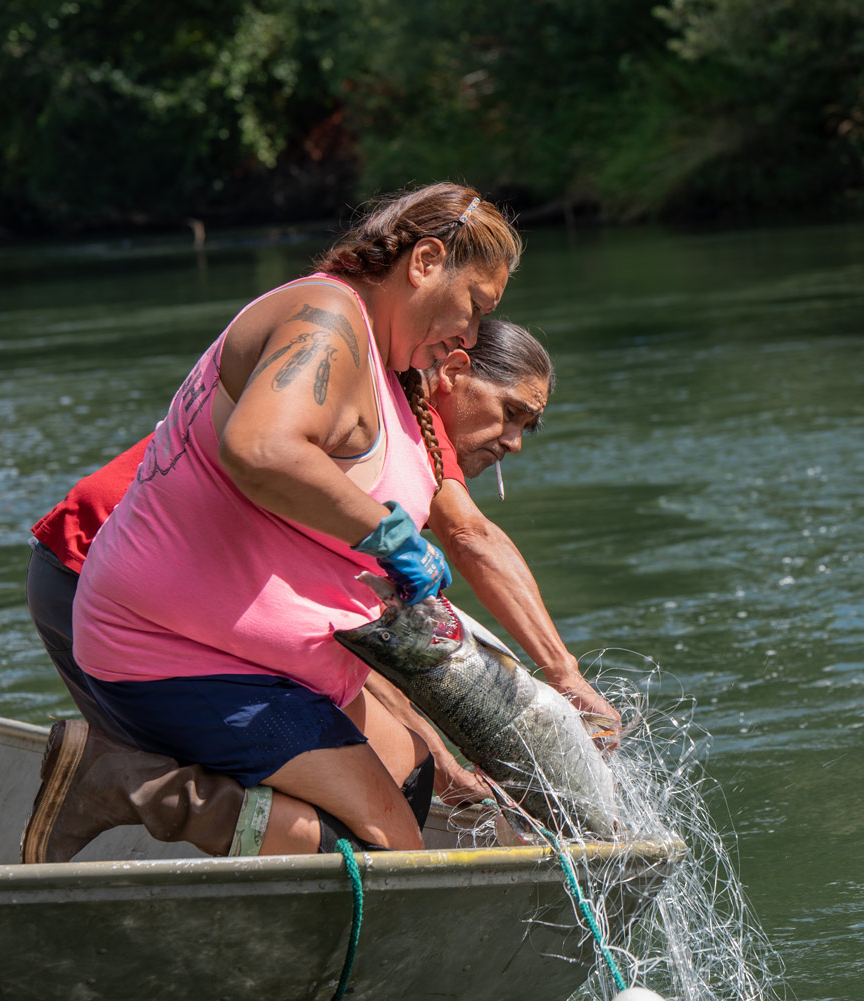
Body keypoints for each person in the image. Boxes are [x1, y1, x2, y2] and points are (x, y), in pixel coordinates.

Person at [35, 183, 519, 860]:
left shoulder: (385, 358)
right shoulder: (324, 318)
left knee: (412, 771)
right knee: (392, 848)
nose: (472, 333)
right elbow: (263, 448)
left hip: (276, 661)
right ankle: (128, 785)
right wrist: (391, 537)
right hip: (173, 650)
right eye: (477, 305)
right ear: (426, 261)